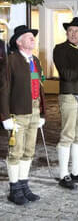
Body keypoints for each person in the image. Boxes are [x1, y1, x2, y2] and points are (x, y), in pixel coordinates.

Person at [2, 25, 46, 205]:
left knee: (29, 150)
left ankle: (23, 184)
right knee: (16, 152)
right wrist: (5, 117)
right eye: (29, 37)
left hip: (34, 110)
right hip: (17, 112)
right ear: (19, 42)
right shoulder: (10, 60)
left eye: (33, 37)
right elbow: (3, 90)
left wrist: (42, 111)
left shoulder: (35, 60)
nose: (33, 39)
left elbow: (41, 87)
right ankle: (14, 189)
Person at [53, 17, 78, 189]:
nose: (74, 34)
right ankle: (64, 174)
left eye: (77, 31)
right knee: (67, 135)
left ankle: (76, 171)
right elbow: (67, 74)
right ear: (66, 32)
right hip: (70, 96)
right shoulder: (61, 49)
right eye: (71, 31)